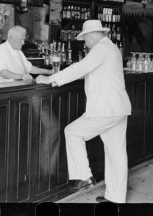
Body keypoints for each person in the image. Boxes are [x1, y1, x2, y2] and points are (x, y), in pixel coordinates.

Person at [36, 19, 132, 203]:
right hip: (118, 108)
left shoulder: (101, 48)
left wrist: (51, 79)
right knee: (116, 154)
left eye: (85, 38)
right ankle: (116, 198)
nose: (84, 42)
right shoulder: (111, 47)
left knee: (72, 132)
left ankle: (84, 176)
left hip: (106, 109)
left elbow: (81, 68)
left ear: (92, 35)